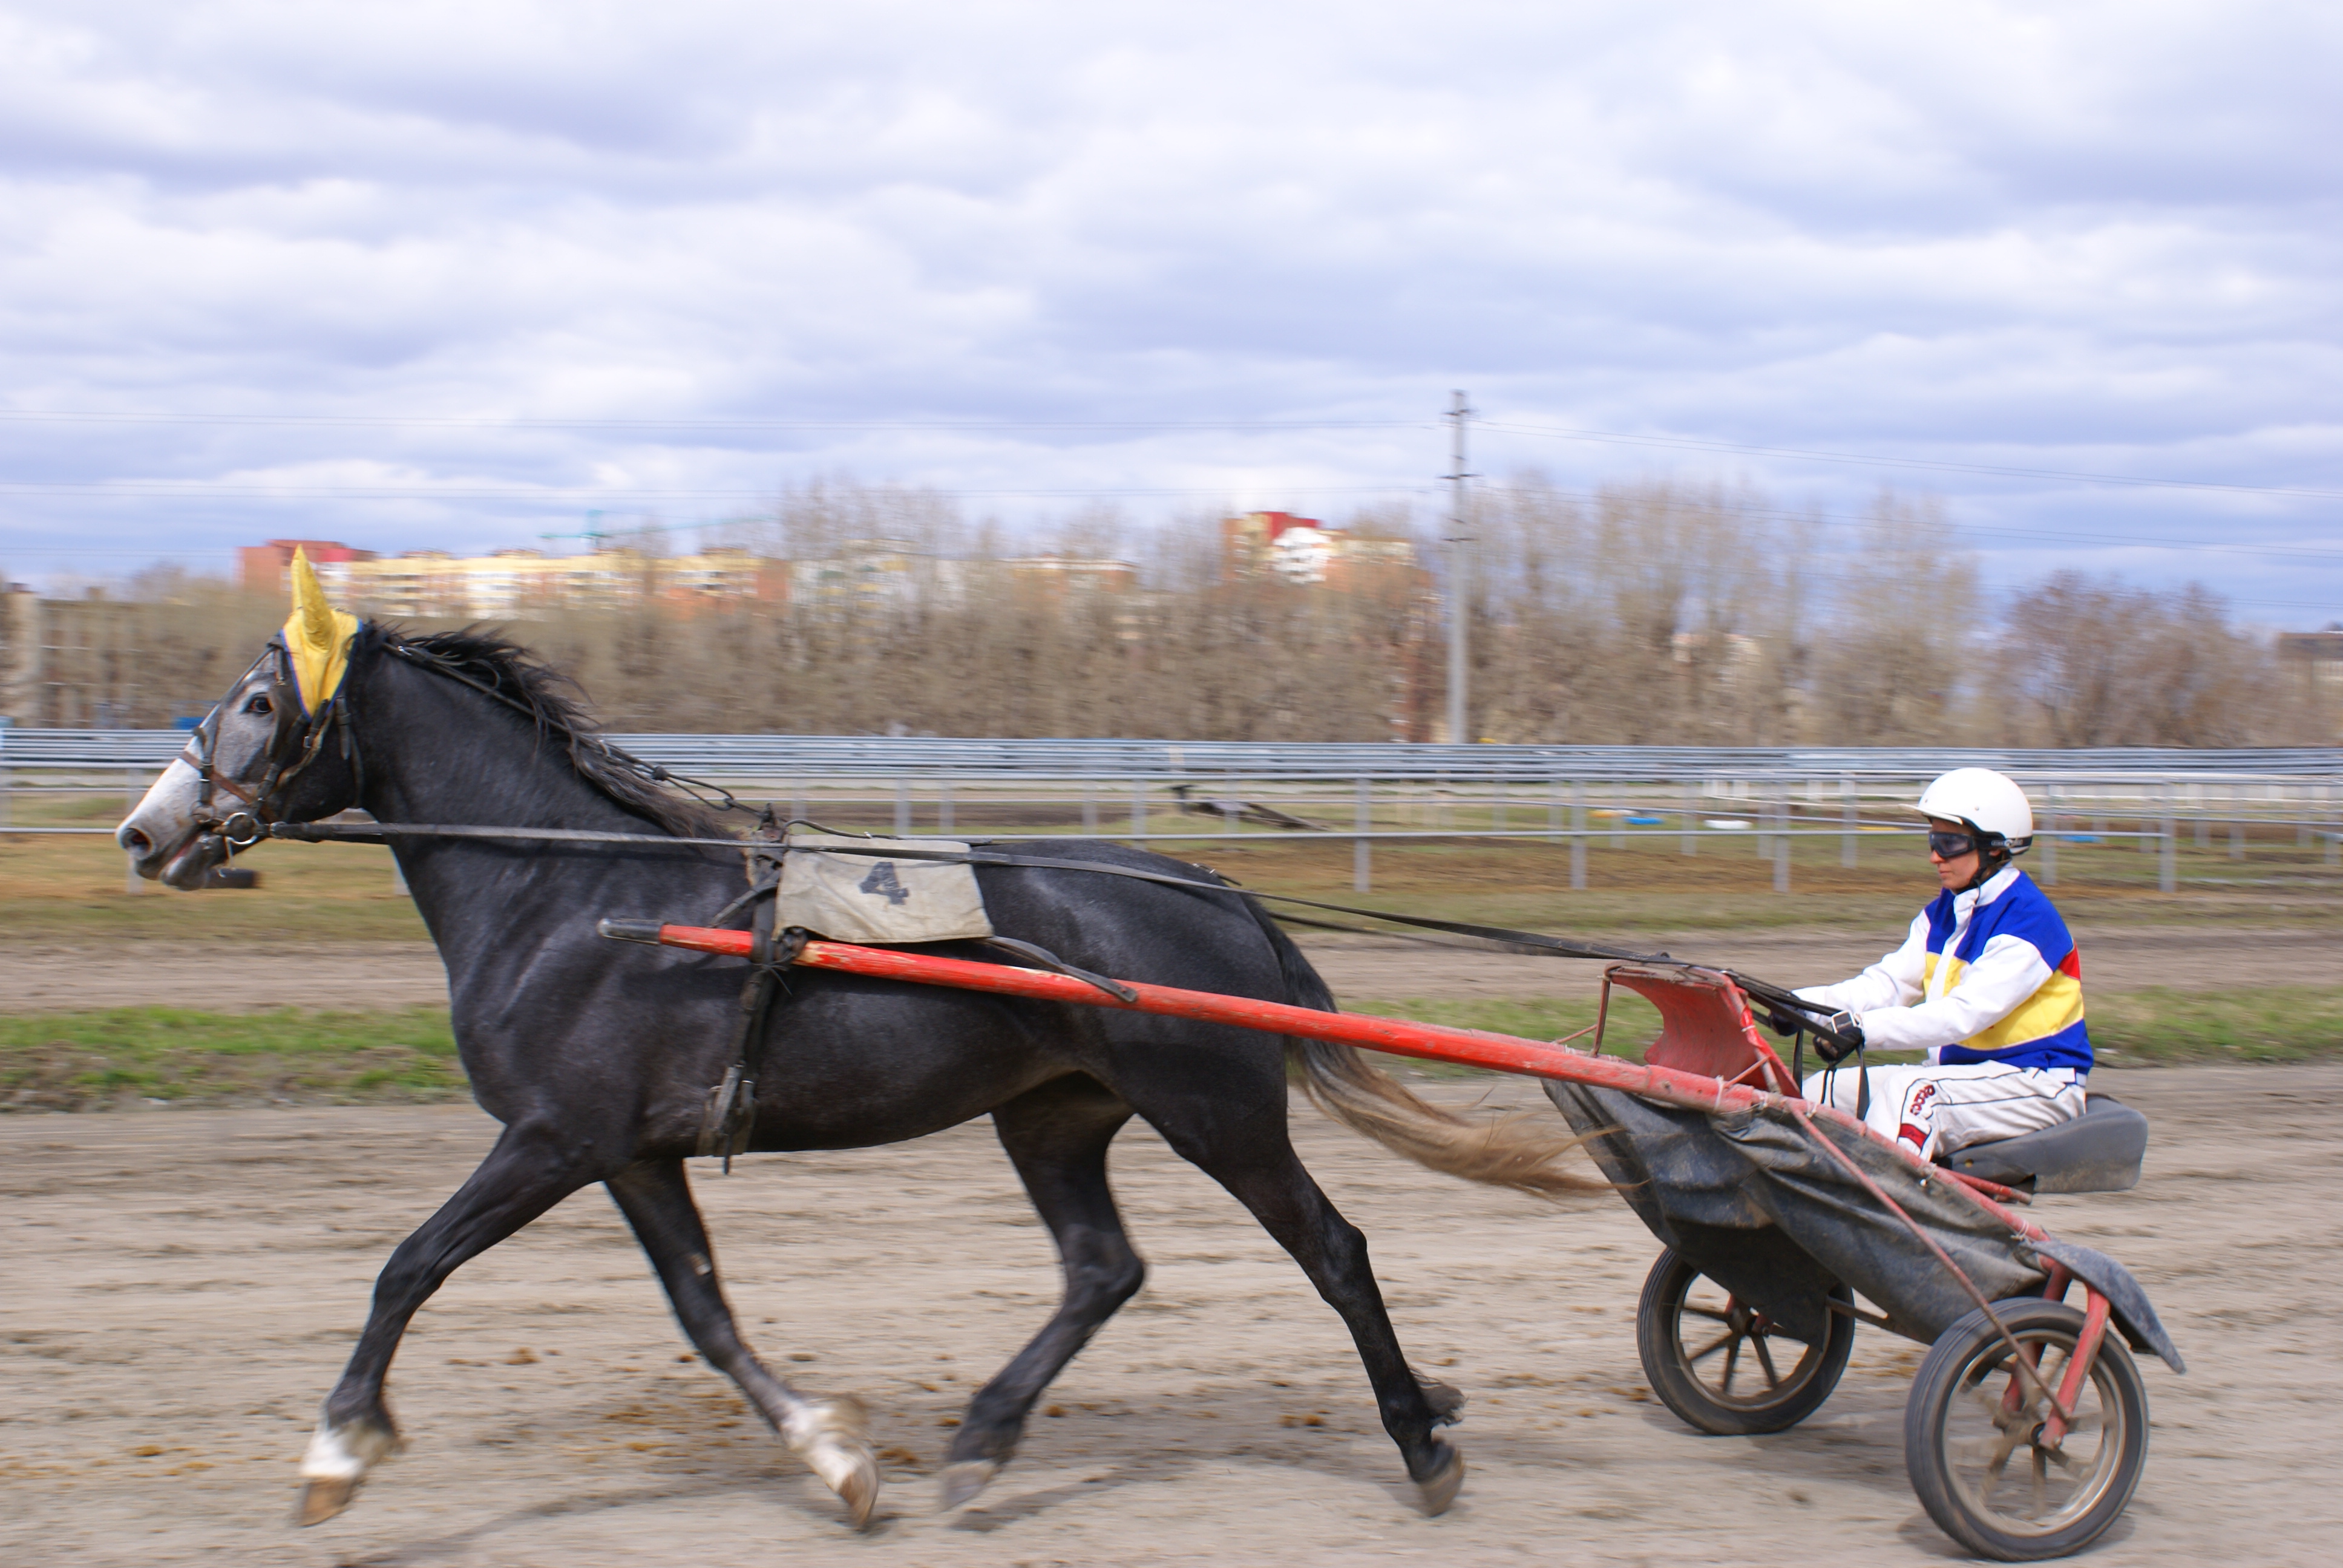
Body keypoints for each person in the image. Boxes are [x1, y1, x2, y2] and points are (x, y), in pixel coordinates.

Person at [1792, 768, 2089, 1160]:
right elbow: (1887, 985)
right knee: (1816, 1093)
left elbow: (1962, 1015)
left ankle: (1883, 1198)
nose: (1935, 856)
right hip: (1968, 1076)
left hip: (2037, 1083)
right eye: (1934, 840)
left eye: (1949, 843)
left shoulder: (2029, 921)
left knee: (1912, 1095)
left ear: (1994, 847)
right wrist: (1798, 1006)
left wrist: (1861, 1029)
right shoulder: (1942, 913)